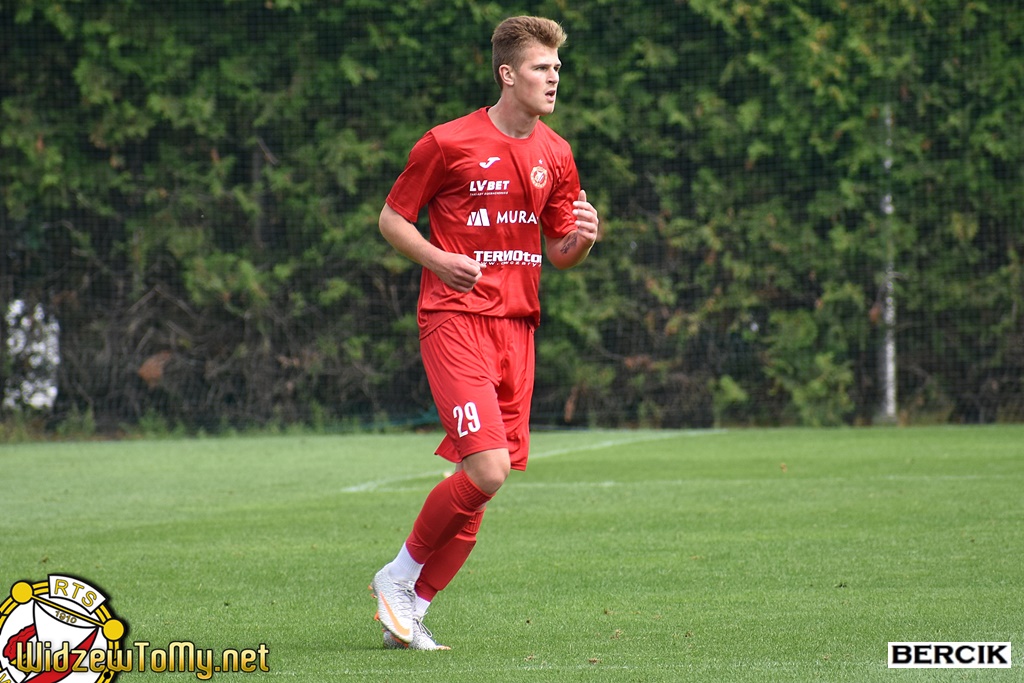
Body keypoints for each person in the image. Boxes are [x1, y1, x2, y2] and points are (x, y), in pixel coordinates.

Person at [370, 15, 600, 650]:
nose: (553, 78)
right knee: (490, 471)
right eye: (540, 67)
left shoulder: (556, 152)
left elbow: (559, 251)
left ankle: (411, 611)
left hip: (517, 329)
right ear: (507, 74)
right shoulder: (447, 143)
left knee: (479, 486)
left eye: (556, 67)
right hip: (454, 318)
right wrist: (439, 260)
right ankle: (398, 576)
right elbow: (392, 219)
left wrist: (583, 239)